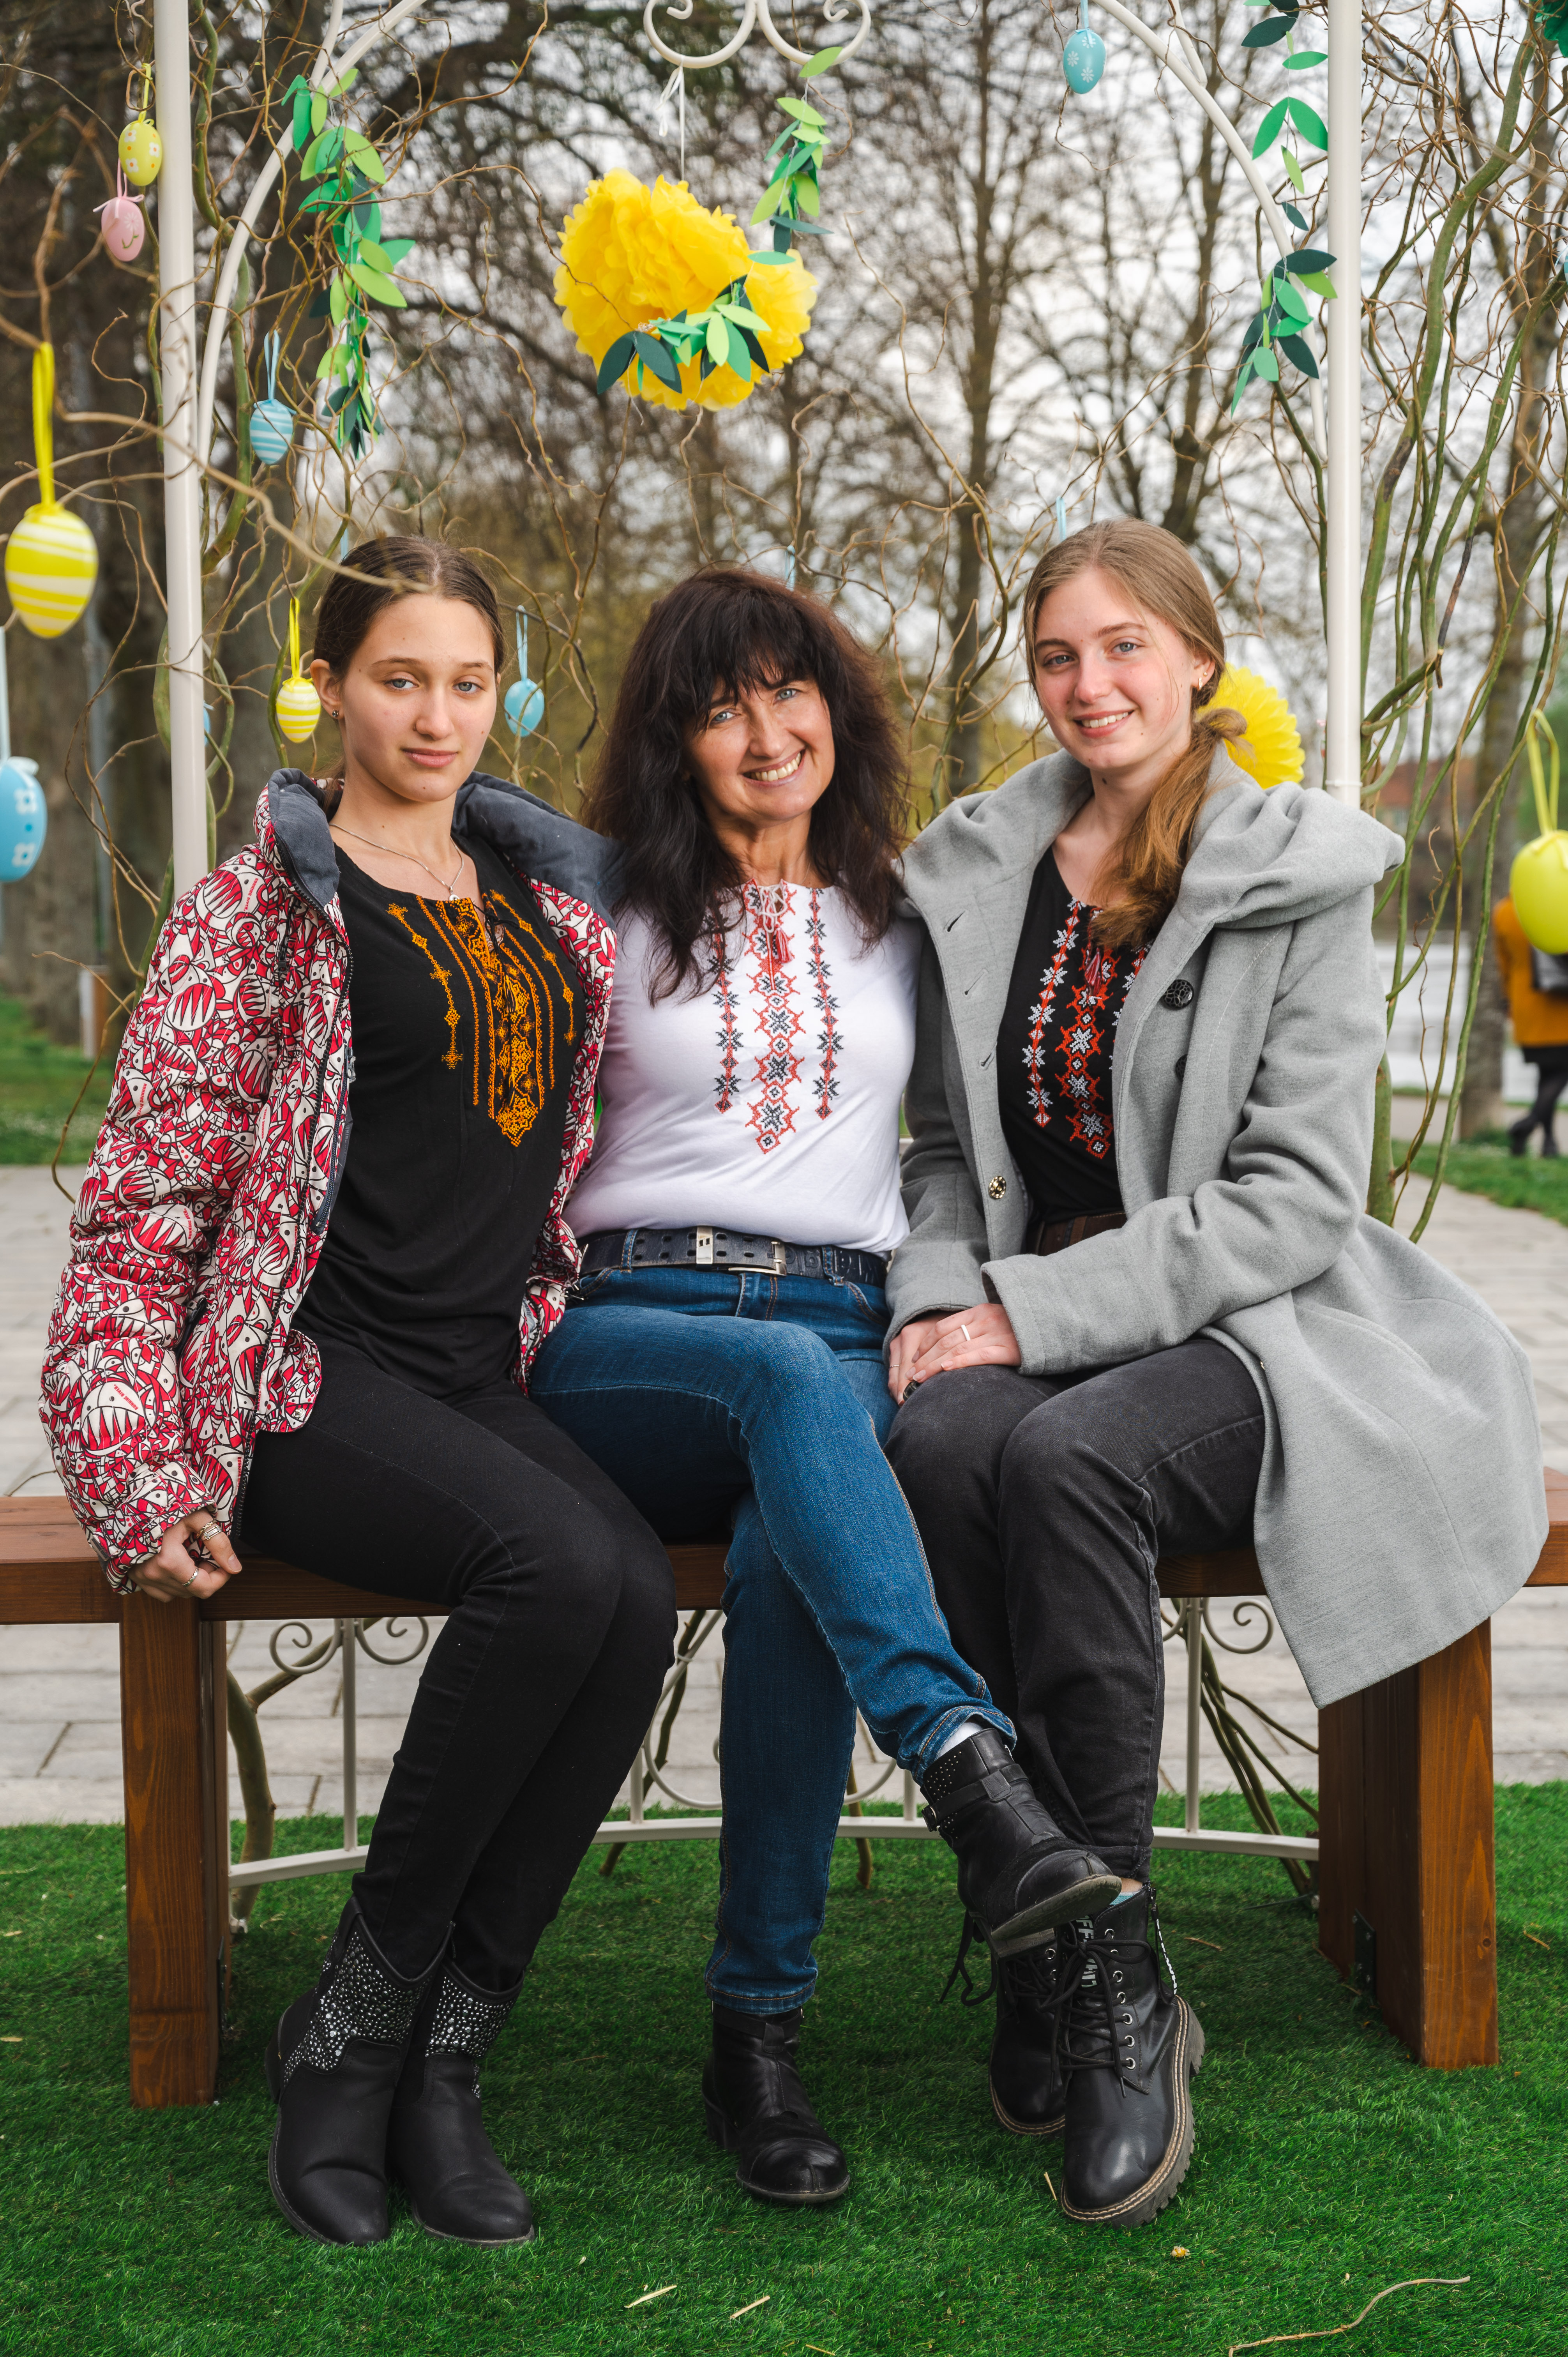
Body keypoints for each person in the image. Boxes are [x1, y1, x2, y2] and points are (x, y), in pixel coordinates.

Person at [883, 518, 1546, 2231]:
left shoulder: (1294, 874)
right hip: (1029, 1300)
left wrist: (1026, 1314)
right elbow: (941, 1150)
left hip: (1258, 1321)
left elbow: (1292, 1199)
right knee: (939, 1441)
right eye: (1056, 655)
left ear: (1196, 658)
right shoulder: (983, 869)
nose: (1087, 683)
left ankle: (1114, 1975)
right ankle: (1030, 1939)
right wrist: (941, 1303)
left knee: (1067, 1459)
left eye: (1122, 646)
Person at [41, 535, 677, 2251]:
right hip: (306, 1374)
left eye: (467, 682)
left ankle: (445, 2056)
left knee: (627, 1596)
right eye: (400, 678)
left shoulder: (549, 906)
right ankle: (346, 2036)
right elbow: (144, 1208)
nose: (437, 716)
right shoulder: (256, 912)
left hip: (480, 1369)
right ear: (328, 686)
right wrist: (133, 1468)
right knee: (555, 1563)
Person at [528, 566, 1119, 2210]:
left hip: (843, 1324)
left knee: (793, 1551)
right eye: (719, 706)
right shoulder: (604, 912)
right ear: (673, 740)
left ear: (836, 713)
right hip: (633, 1328)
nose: (763, 730)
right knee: (790, 1382)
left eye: (788, 691)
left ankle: (757, 2041)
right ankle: (965, 1768)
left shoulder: (902, 917)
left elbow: (988, 1109)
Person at [1491, 891, 1568, 1155]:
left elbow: (1503, 964)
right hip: (1558, 1006)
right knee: (1558, 1073)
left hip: (1525, 1004)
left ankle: (1549, 1142)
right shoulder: (1557, 903)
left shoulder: (1505, 911)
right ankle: (1528, 1123)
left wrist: (1507, 1001)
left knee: (1546, 1075)